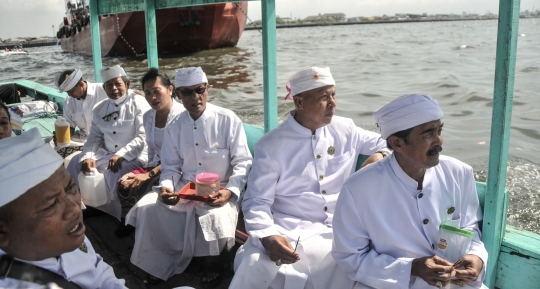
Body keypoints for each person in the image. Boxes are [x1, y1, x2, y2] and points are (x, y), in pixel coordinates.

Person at [231, 66, 389, 289]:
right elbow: (256, 202)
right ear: (300, 102)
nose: (333, 103)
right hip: (288, 228)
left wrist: (381, 156)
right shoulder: (271, 146)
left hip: (340, 225)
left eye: (333, 95)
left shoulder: (346, 129)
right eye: (324, 97)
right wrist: (268, 236)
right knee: (257, 265)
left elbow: (388, 141)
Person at [332, 94, 488, 289]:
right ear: (397, 143)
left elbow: (470, 228)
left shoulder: (459, 173)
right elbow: (350, 258)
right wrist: (411, 268)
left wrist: (477, 257)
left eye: (439, 130)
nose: (438, 141)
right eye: (428, 134)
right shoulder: (358, 189)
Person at [126, 66, 252, 286]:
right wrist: (167, 187)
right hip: (185, 187)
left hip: (219, 188)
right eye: (187, 92)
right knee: (149, 208)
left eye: (199, 89)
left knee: (215, 215)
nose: (195, 97)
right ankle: (158, 262)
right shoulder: (174, 126)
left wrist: (229, 191)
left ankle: (214, 264)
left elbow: (242, 162)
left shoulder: (227, 119)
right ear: (178, 95)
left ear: (208, 89)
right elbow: (172, 167)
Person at [0, 128, 127, 288]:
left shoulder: (66, 234)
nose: (74, 209)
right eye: (51, 204)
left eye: (70, 188)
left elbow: (97, 270)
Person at [66, 65, 151, 220]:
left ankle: (124, 216)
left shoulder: (139, 103)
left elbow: (142, 136)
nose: (114, 88)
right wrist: (88, 157)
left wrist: (121, 155)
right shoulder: (99, 108)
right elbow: (94, 137)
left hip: (134, 154)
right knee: (75, 163)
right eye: (109, 85)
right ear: (104, 88)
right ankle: (84, 205)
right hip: (107, 152)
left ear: (127, 83)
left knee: (114, 172)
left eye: (117, 83)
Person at [115, 68, 184, 237]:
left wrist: (148, 175)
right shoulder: (149, 117)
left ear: (170, 89)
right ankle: (131, 221)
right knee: (124, 182)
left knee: (145, 186)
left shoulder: (182, 117)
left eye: (156, 91)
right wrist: (144, 169)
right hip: (156, 164)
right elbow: (152, 149)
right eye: (147, 93)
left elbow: (179, 158)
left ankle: (147, 230)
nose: (152, 98)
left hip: (177, 168)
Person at [54, 68, 108, 141]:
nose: (69, 95)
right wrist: (61, 135)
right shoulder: (69, 101)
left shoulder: (104, 91)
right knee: (50, 142)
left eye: (72, 91)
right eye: (67, 92)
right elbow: (70, 126)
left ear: (81, 84)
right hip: (83, 139)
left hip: (106, 139)